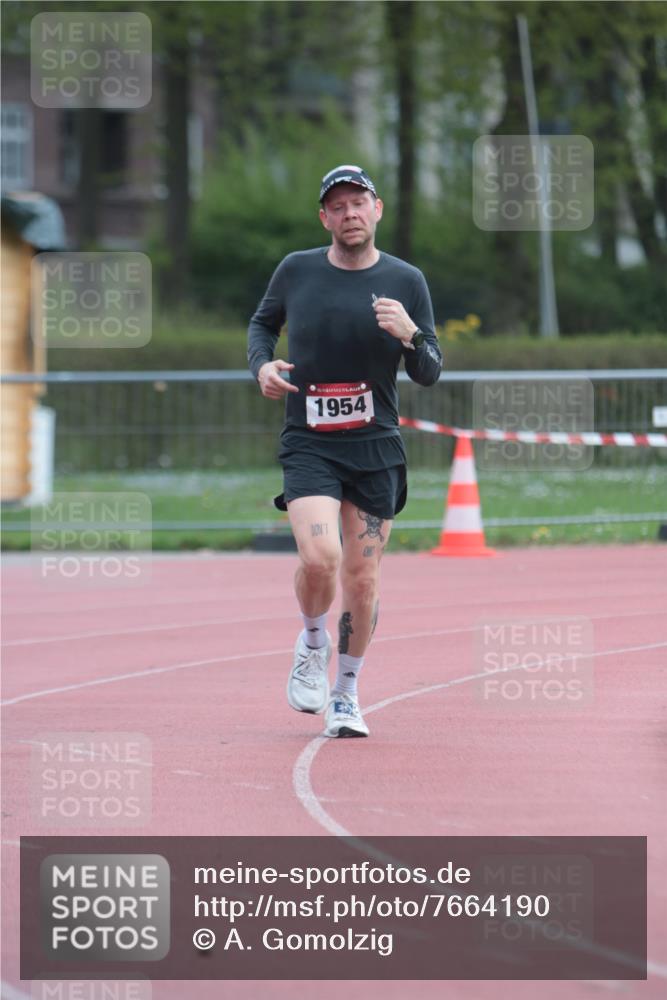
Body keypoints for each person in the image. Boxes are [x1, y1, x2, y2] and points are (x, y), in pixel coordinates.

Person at [247, 164, 442, 738]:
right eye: (337, 206)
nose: (349, 213)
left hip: (375, 446)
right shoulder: (297, 270)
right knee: (320, 558)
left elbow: (429, 371)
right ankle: (312, 641)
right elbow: (262, 324)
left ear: (377, 210)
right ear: (324, 217)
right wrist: (261, 364)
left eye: (359, 202)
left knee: (362, 578)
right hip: (310, 442)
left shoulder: (407, 280)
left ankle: (346, 693)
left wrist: (410, 333)